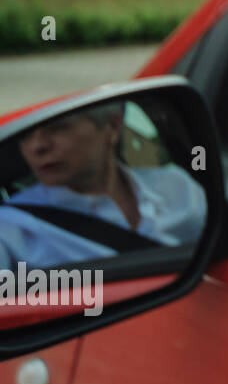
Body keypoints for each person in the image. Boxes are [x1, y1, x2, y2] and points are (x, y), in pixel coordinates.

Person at [0, 102, 207, 270]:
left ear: (113, 127)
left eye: (58, 127)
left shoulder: (178, 186)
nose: (37, 146)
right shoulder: (11, 226)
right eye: (25, 135)